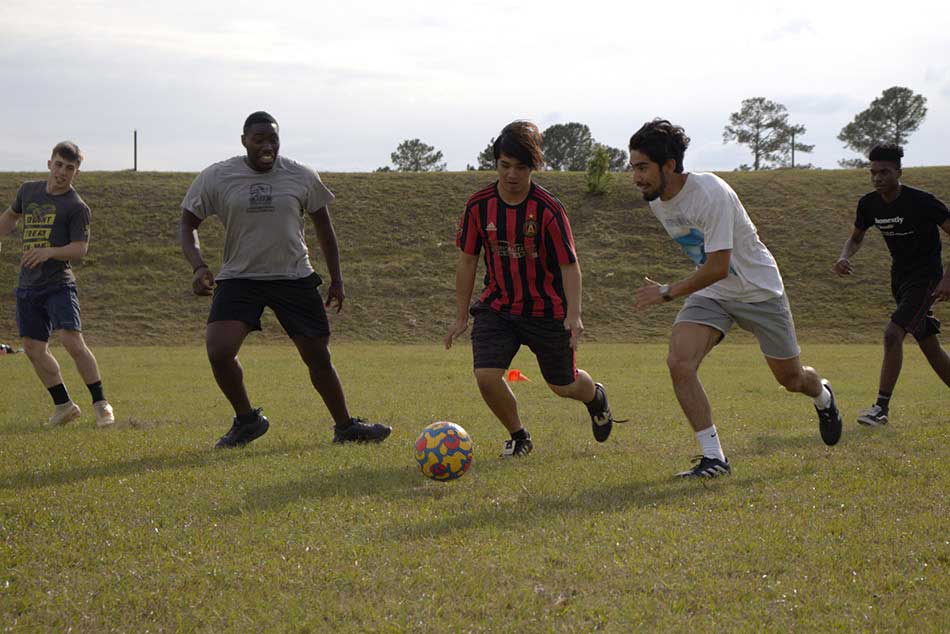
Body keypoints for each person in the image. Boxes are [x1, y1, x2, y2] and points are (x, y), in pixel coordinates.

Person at [629, 119, 841, 478]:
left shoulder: (711, 192)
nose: (636, 177)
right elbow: (711, 273)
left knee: (791, 380)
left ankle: (822, 394)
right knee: (680, 362)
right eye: (633, 167)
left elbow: (718, 266)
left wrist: (667, 291)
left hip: (759, 292)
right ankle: (714, 458)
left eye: (643, 167)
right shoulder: (658, 201)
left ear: (669, 166)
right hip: (712, 293)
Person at [180, 111, 391, 448]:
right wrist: (197, 266)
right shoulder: (217, 176)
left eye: (273, 139)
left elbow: (324, 227)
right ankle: (247, 420)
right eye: (259, 139)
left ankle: (346, 426)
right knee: (219, 351)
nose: (267, 146)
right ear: (244, 141)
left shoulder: (301, 175)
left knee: (318, 356)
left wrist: (337, 279)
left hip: (293, 276)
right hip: (240, 277)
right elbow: (188, 222)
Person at [445, 120, 620, 457]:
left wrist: (574, 314)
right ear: (495, 163)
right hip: (498, 307)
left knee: (562, 385)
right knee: (486, 376)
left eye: (520, 167)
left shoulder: (548, 209)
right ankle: (519, 435)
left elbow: (570, 264)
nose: (511, 174)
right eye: (504, 165)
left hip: (546, 310)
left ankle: (595, 397)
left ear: (533, 167)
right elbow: (467, 261)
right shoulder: (478, 206)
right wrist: (460, 316)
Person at [833, 144, 950, 426]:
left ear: (898, 171)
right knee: (927, 343)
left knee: (892, 334)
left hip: (927, 278)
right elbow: (857, 237)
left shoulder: (922, 201)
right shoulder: (869, 204)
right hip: (900, 279)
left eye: (884, 172)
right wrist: (844, 256)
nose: (877, 178)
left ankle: (881, 408)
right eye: (873, 172)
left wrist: (948, 278)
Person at [0, 141, 115, 428]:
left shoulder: (76, 207)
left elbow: (80, 249)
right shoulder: (28, 190)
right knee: (32, 347)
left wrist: (49, 251)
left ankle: (101, 404)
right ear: (49, 163)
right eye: (59, 164)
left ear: (76, 173)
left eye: (70, 168)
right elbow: (11, 217)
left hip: (58, 284)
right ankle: (64, 406)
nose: (63, 172)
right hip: (27, 286)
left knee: (71, 341)